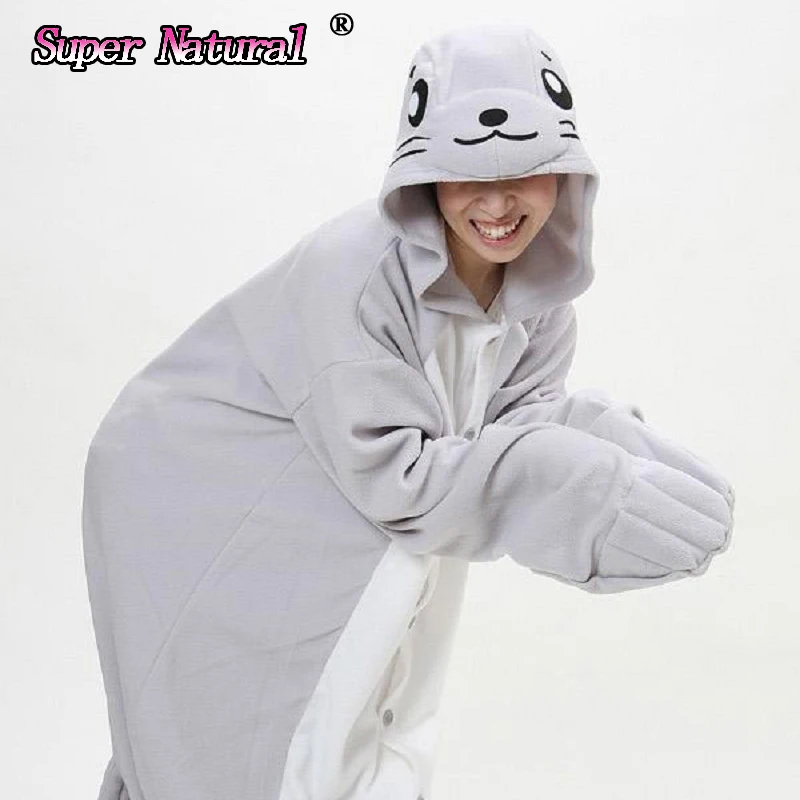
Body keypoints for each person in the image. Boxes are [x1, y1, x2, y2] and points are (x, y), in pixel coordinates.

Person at [81, 23, 736, 800]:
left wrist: (616, 450)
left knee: (389, 671)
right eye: (466, 173)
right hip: (198, 478)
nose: (497, 203)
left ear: (565, 170)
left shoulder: (539, 295)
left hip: (368, 499)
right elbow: (398, 478)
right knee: (263, 719)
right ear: (422, 172)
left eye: (525, 171)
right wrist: (571, 489)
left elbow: (516, 419)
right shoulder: (353, 275)